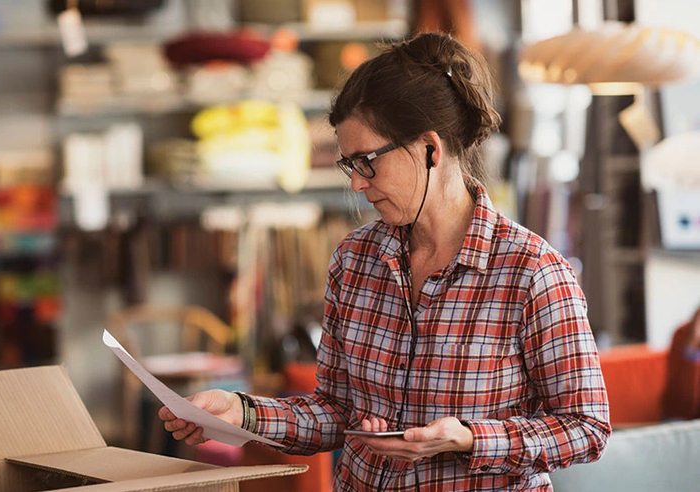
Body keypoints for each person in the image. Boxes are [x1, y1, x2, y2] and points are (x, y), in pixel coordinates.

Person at [158, 32, 610, 491]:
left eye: (366, 161)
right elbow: (336, 411)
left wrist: (470, 438)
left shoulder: (532, 271)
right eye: (348, 165)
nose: (356, 184)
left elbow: (587, 428)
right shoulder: (355, 260)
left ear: (431, 150)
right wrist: (242, 412)